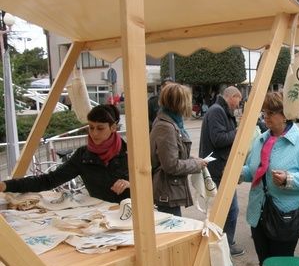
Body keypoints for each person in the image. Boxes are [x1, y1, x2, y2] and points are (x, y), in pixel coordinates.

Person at [241, 92, 299, 266]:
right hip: (259, 213)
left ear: (284, 115)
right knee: (265, 263)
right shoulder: (261, 140)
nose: (265, 117)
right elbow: (253, 170)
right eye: (264, 112)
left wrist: (289, 179)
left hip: (285, 216)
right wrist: (238, 173)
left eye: (270, 113)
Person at [0, 105, 130, 203]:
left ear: (113, 127)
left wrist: (132, 184)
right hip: (101, 218)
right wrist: (7, 185)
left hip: (133, 218)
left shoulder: (130, 153)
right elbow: (49, 180)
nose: (94, 133)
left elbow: (149, 181)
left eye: (100, 128)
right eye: (91, 127)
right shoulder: (83, 156)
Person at [199, 86, 244, 256]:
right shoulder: (217, 111)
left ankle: (221, 242)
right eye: (238, 100)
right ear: (231, 97)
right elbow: (218, 139)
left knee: (223, 209)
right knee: (230, 209)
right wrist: (238, 133)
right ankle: (226, 244)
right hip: (217, 169)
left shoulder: (219, 110)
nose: (238, 104)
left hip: (218, 168)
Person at [150, 83, 207, 216]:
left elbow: (172, 156)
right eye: (188, 100)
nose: (190, 104)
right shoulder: (167, 127)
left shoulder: (170, 122)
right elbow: (171, 165)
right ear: (180, 103)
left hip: (169, 191)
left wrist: (194, 160)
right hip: (166, 193)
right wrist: (196, 164)